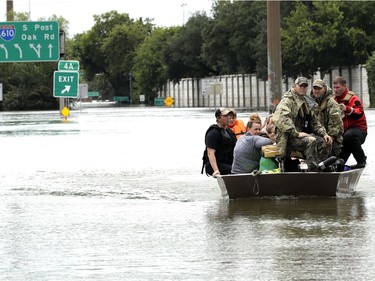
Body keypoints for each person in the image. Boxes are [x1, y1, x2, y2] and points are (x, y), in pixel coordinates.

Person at [273, 77, 333, 171]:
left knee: (325, 141)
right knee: (311, 141)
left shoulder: (306, 102)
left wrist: (324, 134)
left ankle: (321, 166)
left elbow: (315, 123)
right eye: (301, 86)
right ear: (294, 86)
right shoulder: (287, 100)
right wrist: (296, 133)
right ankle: (312, 169)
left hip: (298, 136)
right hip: (288, 138)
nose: (303, 88)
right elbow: (282, 119)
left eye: (305, 86)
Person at [333, 76, 367, 168]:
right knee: (337, 163)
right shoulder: (333, 100)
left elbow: (359, 113)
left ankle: (361, 160)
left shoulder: (354, 99)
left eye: (338, 87)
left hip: (359, 131)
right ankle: (338, 166)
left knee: (349, 136)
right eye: (334, 88)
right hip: (344, 135)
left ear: (344, 86)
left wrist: (347, 109)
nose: (336, 90)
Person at [311, 79, 344, 158]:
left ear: (325, 89)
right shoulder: (312, 103)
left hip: (333, 140)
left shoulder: (332, 104)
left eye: (319, 88)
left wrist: (328, 137)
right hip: (317, 136)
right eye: (315, 88)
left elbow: (335, 126)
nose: (317, 91)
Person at [202, 108, 237, 177]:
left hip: (228, 162)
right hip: (215, 165)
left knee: (243, 168)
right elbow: (210, 153)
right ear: (218, 118)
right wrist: (216, 170)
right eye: (225, 116)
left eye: (229, 116)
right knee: (236, 170)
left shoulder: (229, 132)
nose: (228, 118)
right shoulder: (213, 133)